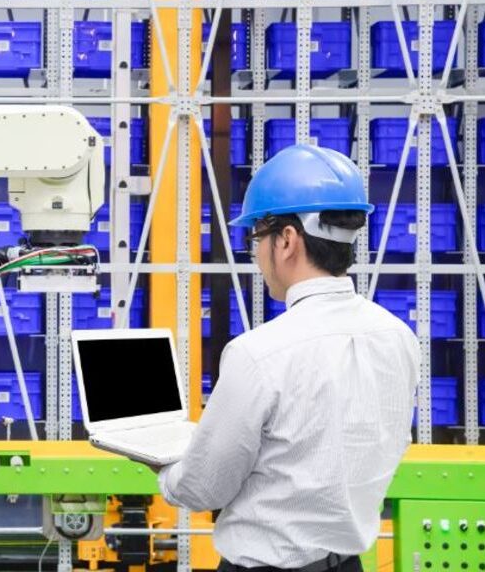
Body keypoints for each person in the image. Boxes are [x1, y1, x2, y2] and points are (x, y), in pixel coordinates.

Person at [157, 144, 419, 572]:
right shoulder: (397, 337)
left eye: (255, 237)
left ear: (287, 240)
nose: (256, 254)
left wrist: (166, 464)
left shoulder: (259, 354)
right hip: (349, 563)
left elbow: (203, 490)